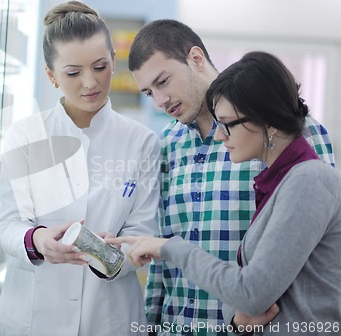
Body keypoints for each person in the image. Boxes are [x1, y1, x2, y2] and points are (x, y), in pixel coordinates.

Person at [125, 19, 335, 335]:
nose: (159, 101)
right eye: (148, 92)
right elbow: (162, 258)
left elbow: (314, 260)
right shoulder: (167, 145)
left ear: (195, 58)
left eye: (163, 81)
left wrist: (239, 324)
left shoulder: (293, 134)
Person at [0, 0, 160, 336]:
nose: (90, 83)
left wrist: (112, 255)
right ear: (51, 76)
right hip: (31, 316)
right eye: (73, 73)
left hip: (108, 316)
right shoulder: (26, 135)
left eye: (100, 66)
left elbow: (143, 233)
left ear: (114, 59)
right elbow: (8, 223)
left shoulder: (142, 142)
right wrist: (37, 239)